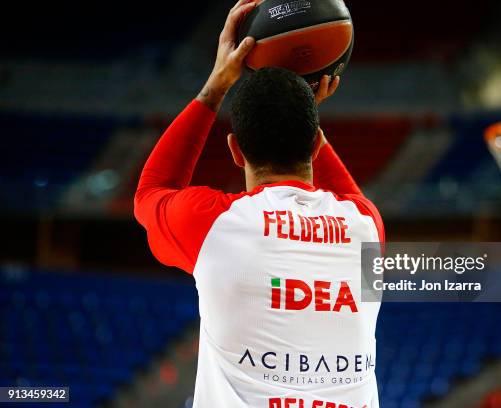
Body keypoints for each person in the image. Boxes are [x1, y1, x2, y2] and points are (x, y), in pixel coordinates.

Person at [134, 1, 384, 406]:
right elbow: (349, 196)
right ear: (314, 141)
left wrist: (216, 86)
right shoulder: (365, 225)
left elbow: (151, 191)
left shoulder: (214, 225)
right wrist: (302, 114)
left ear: (235, 150)